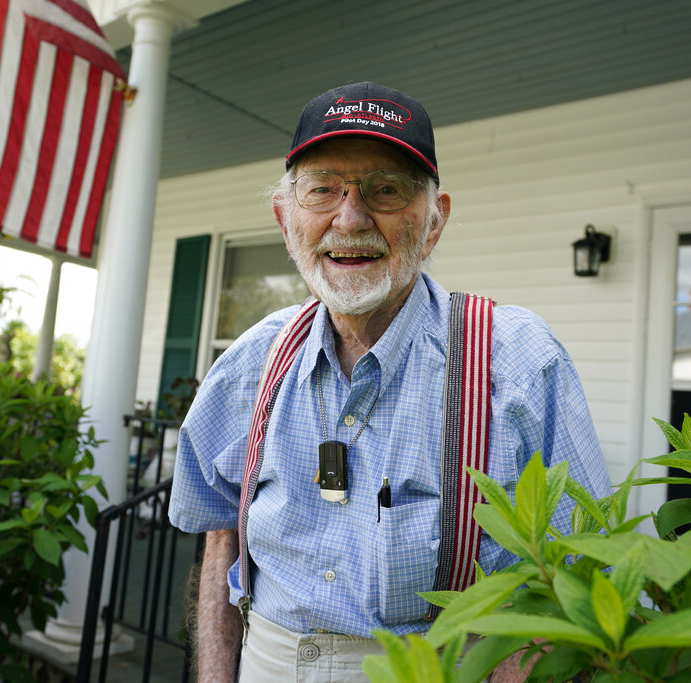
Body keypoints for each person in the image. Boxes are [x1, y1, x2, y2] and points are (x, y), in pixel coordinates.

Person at [169, 81, 611, 682]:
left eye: (386, 189)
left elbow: (578, 570)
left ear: (434, 222)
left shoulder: (518, 360)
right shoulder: (254, 359)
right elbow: (222, 535)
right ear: (284, 218)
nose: (349, 219)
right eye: (322, 189)